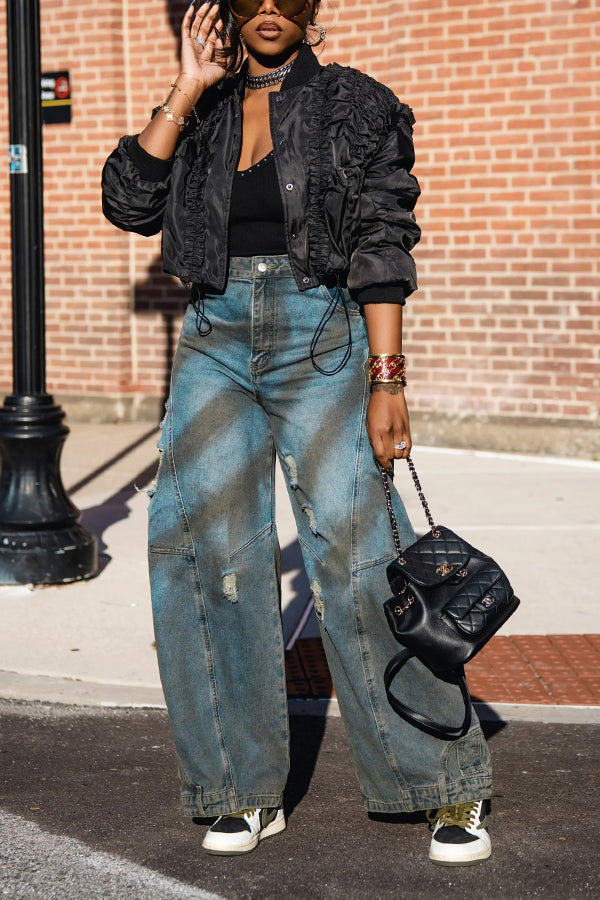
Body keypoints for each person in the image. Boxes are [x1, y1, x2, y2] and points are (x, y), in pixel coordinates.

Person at [102, 0, 493, 865]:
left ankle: (437, 782)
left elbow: (383, 239)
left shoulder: (356, 102)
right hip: (213, 338)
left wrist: (388, 379)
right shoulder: (199, 111)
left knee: (357, 554)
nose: (269, 7)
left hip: (322, 333)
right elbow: (127, 204)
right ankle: (240, 789)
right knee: (205, 552)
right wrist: (184, 86)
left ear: (315, 5)